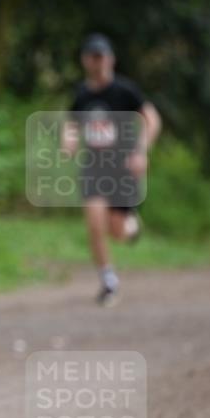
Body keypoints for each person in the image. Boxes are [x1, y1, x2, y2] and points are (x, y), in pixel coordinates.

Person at [66, 34, 161, 306]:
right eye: (93, 57)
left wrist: (141, 150)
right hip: (94, 168)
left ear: (111, 59)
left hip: (122, 168)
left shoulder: (125, 90)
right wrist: (69, 139)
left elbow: (152, 118)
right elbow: (71, 123)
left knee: (117, 231)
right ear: (85, 61)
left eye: (102, 57)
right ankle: (108, 282)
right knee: (94, 221)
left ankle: (131, 227)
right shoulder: (82, 94)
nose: (98, 63)